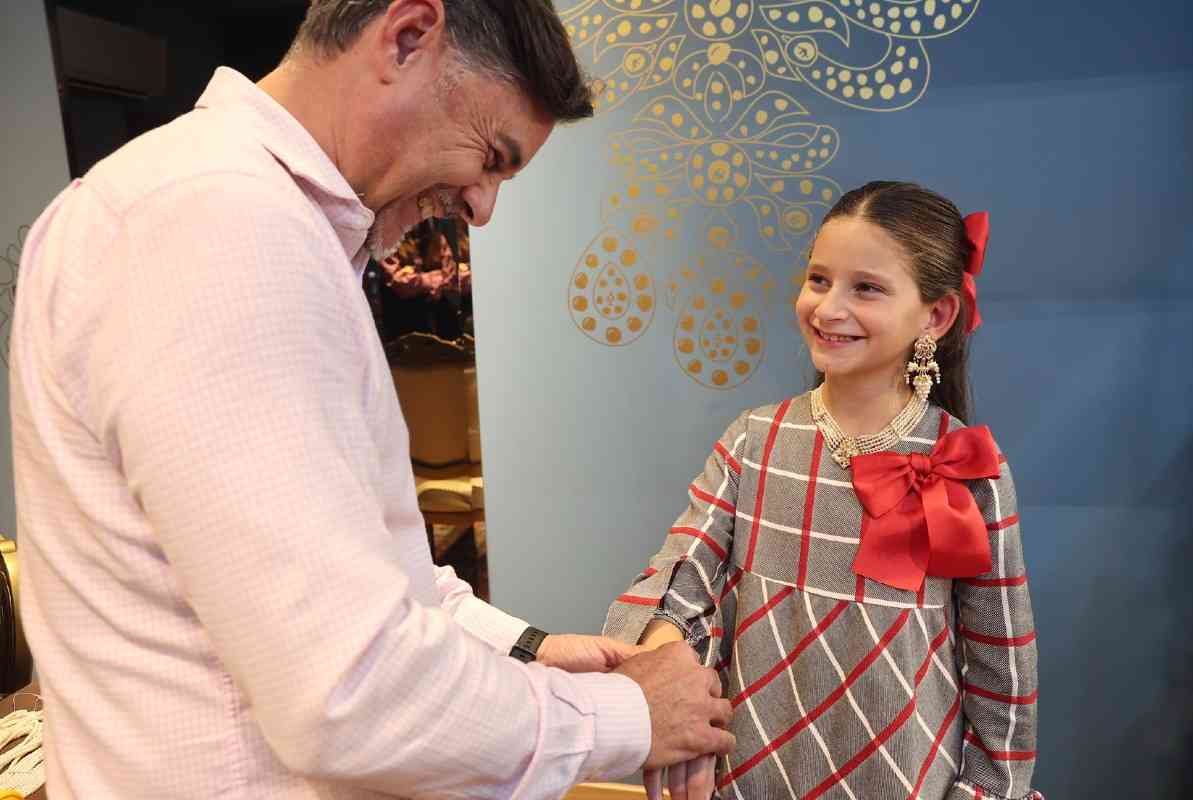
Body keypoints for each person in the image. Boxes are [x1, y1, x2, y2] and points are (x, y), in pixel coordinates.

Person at [9, 1, 733, 798]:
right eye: (491, 157)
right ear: (408, 36)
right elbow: (347, 691)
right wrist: (627, 715)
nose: (482, 207)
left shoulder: (235, 213)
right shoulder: (221, 224)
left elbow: (369, 573)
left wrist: (531, 650)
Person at [606, 182, 1041, 800]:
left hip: (904, 779)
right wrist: (667, 663)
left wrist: (988, 789)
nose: (829, 308)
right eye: (818, 279)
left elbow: (1003, 670)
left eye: (866, 288)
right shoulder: (754, 440)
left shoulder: (965, 465)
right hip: (751, 773)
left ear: (937, 316)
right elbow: (682, 572)